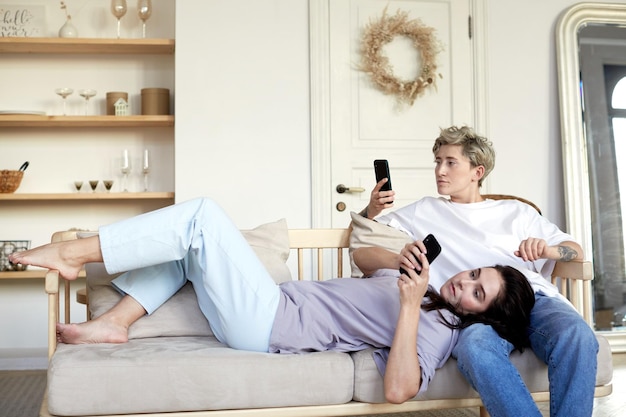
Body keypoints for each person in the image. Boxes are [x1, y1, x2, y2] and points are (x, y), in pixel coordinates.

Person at [10, 197, 534, 403]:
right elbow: (364, 261)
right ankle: (117, 323)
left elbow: (399, 390)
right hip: (271, 304)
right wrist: (402, 265)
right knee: (187, 247)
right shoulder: (424, 288)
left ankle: (73, 253)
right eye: (474, 274)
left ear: (479, 314)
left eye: (476, 292)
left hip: (270, 325)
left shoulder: (438, 328)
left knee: (201, 219)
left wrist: (408, 306)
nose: (463, 283)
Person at [352, 125, 598, 417]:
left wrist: (548, 250)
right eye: (438, 161)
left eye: (451, 162)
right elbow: (365, 238)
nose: (440, 170)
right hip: (474, 310)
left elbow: (575, 250)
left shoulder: (516, 212)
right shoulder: (424, 210)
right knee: (476, 349)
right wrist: (371, 209)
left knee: (578, 336)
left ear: (477, 172)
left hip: (534, 299)